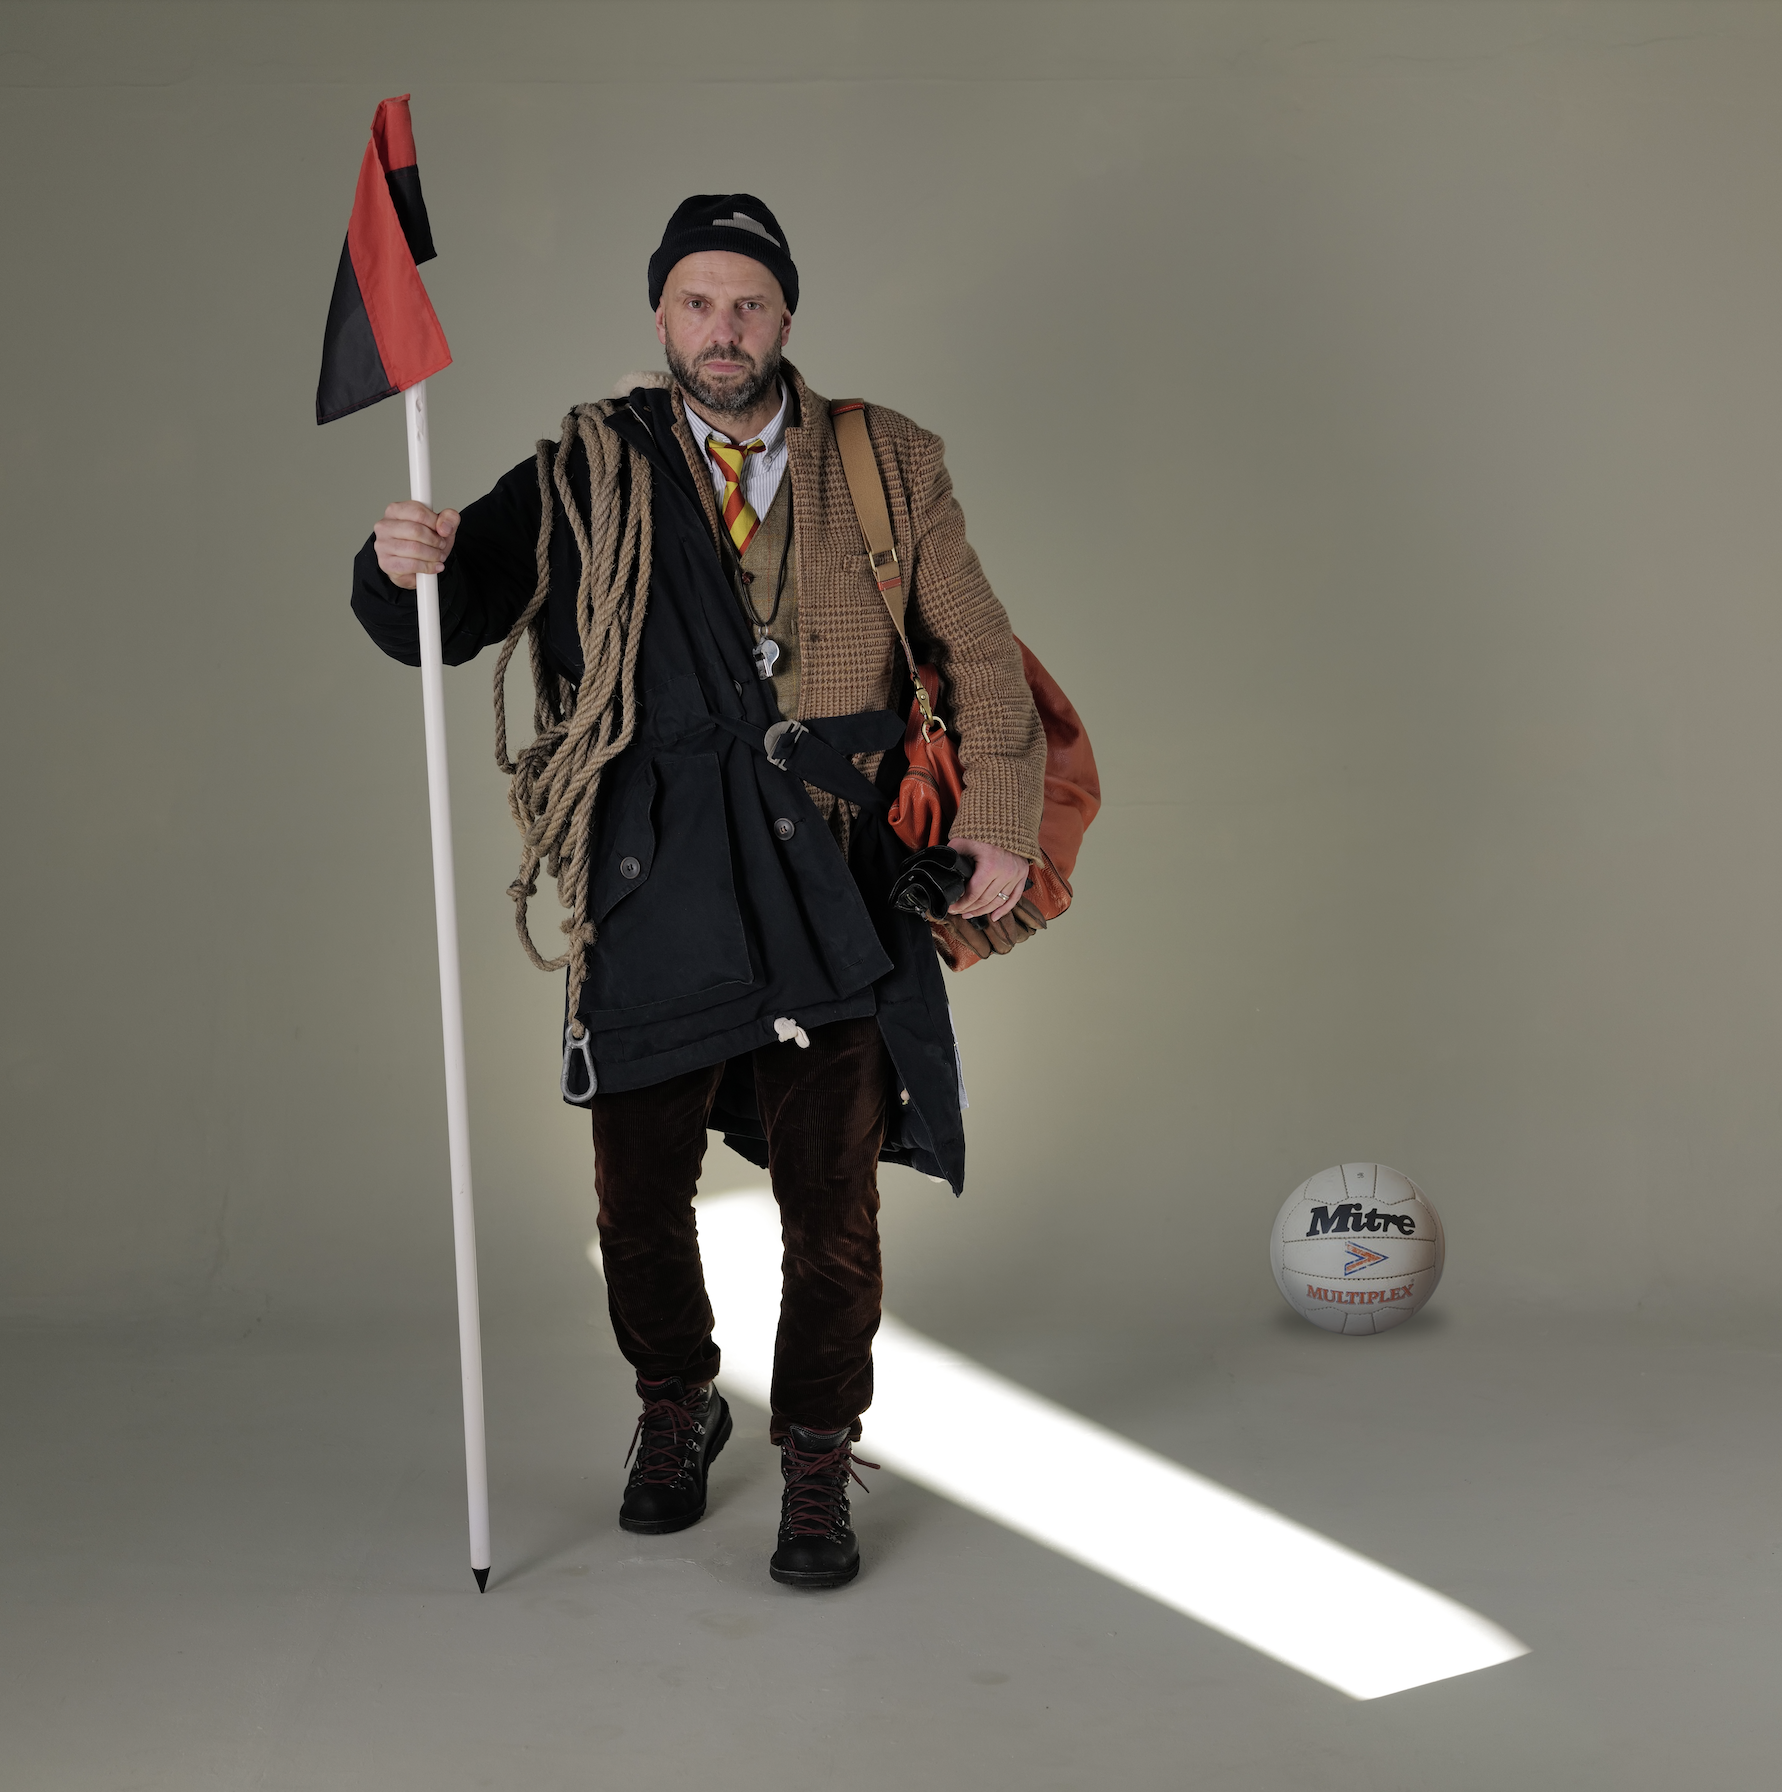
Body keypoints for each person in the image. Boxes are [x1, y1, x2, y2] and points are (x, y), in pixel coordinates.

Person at [351, 194, 1045, 1589]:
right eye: (695, 303)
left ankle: (813, 1454)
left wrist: (1002, 820)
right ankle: (675, 1407)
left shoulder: (889, 457)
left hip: (829, 873)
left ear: (785, 317)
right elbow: (458, 609)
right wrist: (398, 568)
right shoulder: (587, 468)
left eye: (748, 304)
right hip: (650, 866)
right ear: (658, 315)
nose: (722, 331)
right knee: (634, 1189)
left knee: (829, 1198)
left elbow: (976, 646)